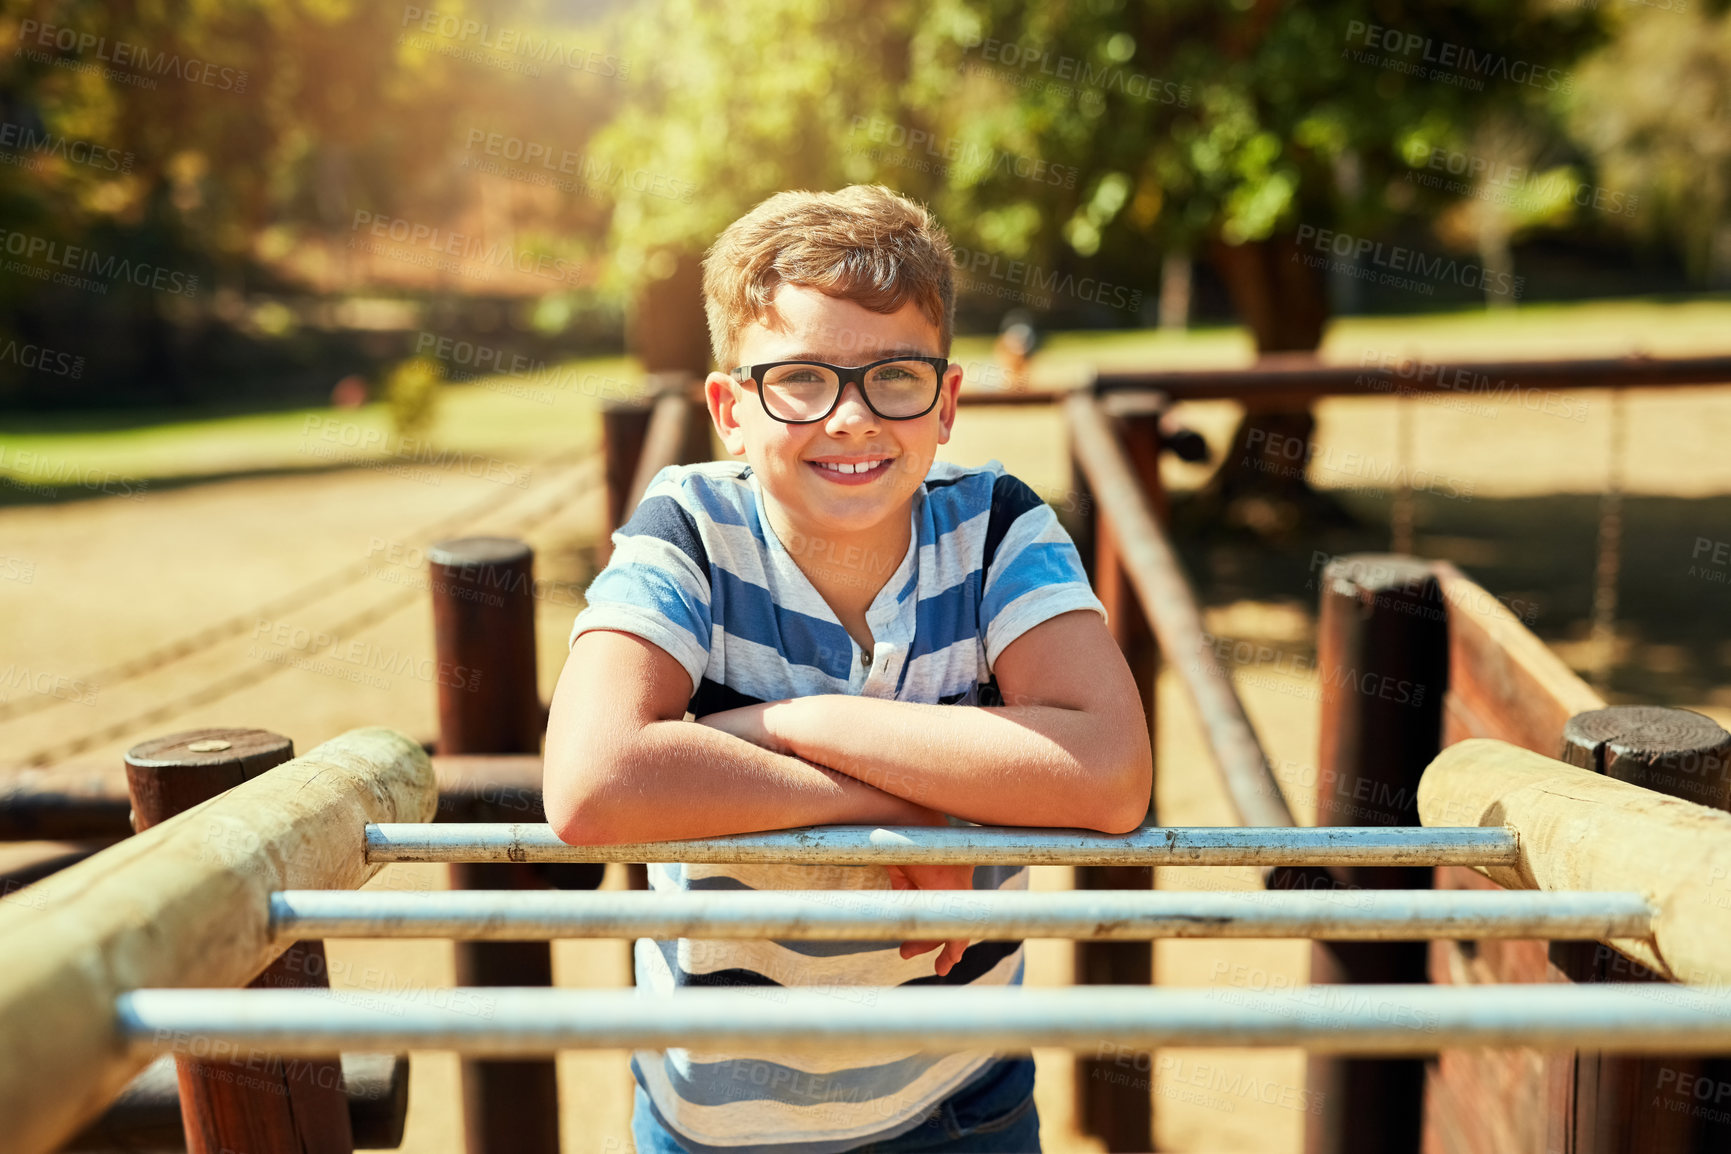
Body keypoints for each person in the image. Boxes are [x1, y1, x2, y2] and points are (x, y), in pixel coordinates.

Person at [543, 184, 1152, 1154]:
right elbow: (592, 783)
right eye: (800, 380)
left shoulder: (996, 527)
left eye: (894, 376)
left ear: (946, 400)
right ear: (731, 408)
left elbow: (1109, 776)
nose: (851, 417)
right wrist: (903, 816)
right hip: (717, 1115)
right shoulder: (690, 530)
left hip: (962, 1095)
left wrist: (798, 720)